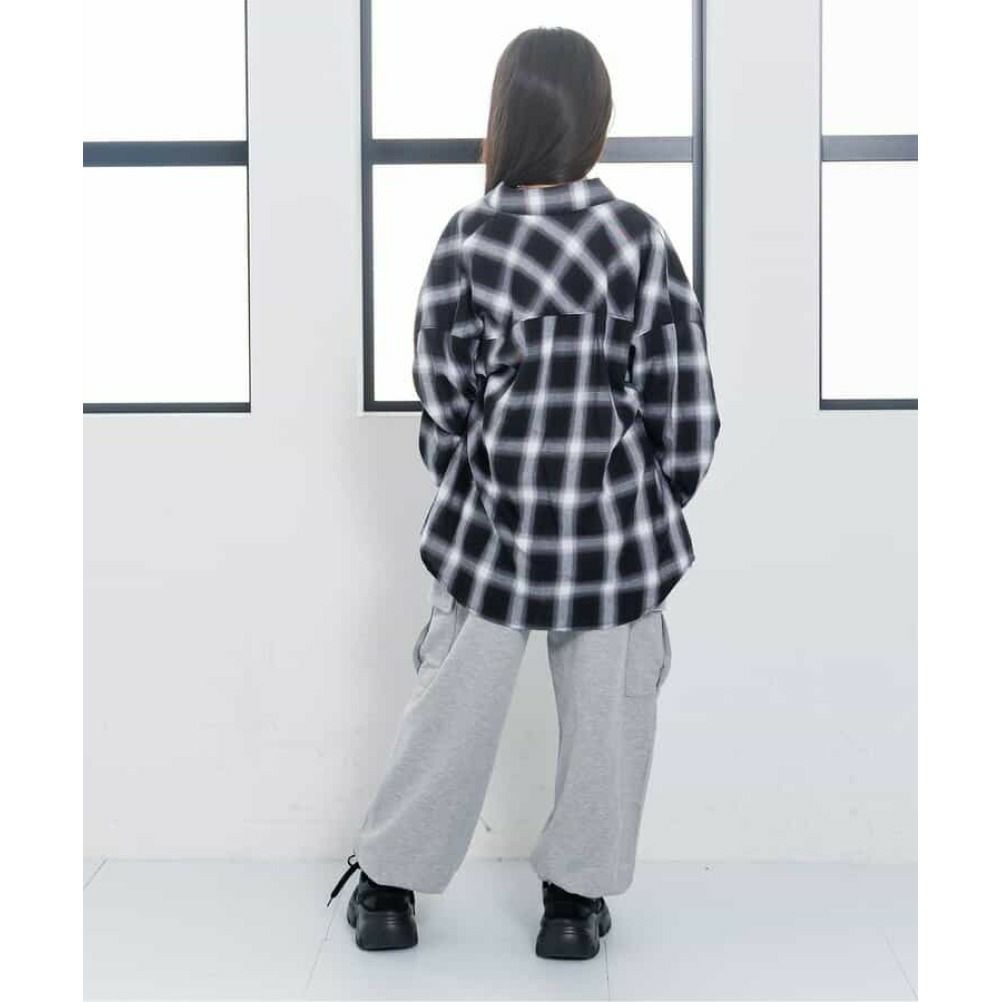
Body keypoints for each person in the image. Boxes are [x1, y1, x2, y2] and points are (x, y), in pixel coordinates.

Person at [328, 26, 720, 960]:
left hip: (493, 532)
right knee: (609, 718)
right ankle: (574, 906)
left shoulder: (470, 236)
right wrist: (649, 496)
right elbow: (685, 401)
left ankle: (388, 892)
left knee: (449, 709)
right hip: (614, 532)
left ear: (505, 118)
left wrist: (476, 481)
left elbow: (443, 396)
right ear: (597, 122)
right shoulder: (637, 238)